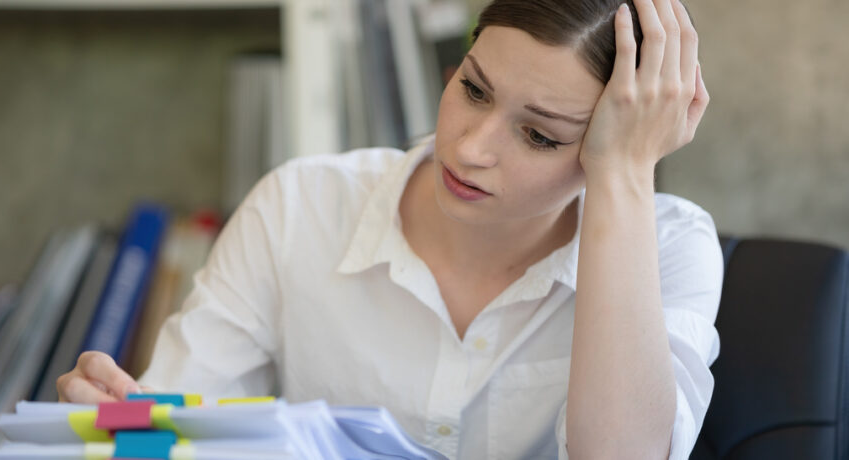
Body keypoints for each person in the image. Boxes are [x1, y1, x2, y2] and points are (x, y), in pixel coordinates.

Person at [57, 0, 721, 458]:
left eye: (539, 135)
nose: (468, 148)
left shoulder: (670, 246)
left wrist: (626, 174)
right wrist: (118, 417)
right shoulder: (298, 206)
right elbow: (178, 423)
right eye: (474, 90)